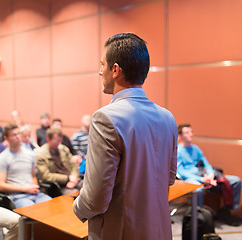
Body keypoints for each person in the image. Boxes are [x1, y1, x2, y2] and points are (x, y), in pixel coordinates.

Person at [73, 33, 178, 240]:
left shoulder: (106, 118)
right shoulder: (168, 118)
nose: (99, 71)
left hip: (120, 232)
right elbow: (169, 178)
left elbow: (95, 199)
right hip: (160, 230)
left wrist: (77, 207)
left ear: (115, 70)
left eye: (102, 65)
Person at [177, 123, 241, 225]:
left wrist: (211, 175)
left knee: (235, 180)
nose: (191, 134)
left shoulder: (196, 148)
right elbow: (181, 172)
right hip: (190, 178)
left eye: (191, 132)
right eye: (187, 132)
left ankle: (227, 210)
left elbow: (206, 163)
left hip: (204, 175)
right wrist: (201, 180)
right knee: (198, 189)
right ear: (180, 136)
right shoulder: (178, 150)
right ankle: (200, 218)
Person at [0, 123, 51, 208]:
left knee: (53, 207)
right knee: (34, 212)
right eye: (14, 135)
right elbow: (0, 185)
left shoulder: (30, 154)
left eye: (18, 134)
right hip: (18, 196)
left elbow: (33, 176)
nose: (17, 137)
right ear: (6, 138)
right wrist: (24, 188)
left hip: (35, 194)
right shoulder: (3, 157)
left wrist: (34, 188)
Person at [36, 128, 81, 195]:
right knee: (77, 195)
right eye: (57, 141)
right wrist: (68, 178)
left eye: (60, 140)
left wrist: (74, 177)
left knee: (92, 188)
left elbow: (74, 164)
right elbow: (45, 176)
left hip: (74, 179)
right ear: (48, 139)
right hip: (59, 185)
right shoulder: (40, 154)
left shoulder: (63, 149)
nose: (59, 143)